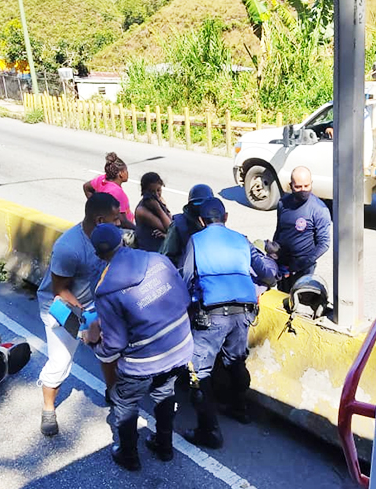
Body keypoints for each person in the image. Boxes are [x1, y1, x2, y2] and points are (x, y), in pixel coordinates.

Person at [84, 223, 193, 472]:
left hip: (143, 362)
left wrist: (93, 343)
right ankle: (164, 446)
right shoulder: (157, 259)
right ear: (123, 241)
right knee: (165, 392)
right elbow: (184, 298)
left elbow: (115, 344)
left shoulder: (106, 290)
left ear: (99, 255)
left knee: (125, 401)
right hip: (179, 346)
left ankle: (129, 455)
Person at [181, 197, 274, 448]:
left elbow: (185, 277)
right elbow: (268, 273)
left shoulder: (196, 240)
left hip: (211, 314)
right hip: (243, 313)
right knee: (235, 361)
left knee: (199, 372)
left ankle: (209, 431)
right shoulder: (242, 240)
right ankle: (239, 408)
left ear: (201, 221)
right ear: (226, 217)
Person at [36, 192, 121, 437]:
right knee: (61, 362)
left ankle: (112, 391)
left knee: (109, 351)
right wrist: (86, 324)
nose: (120, 223)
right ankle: (48, 408)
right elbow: (60, 290)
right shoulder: (69, 247)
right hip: (61, 306)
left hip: (92, 302)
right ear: (99, 220)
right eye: (116, 219)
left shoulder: (109, 236)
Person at [273, 166, 331, 293]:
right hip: (282, 266)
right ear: (291, 185)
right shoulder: (283, 203)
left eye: (306, 186)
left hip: (303, 270)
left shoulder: (319, 209)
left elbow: (324, 243)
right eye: (298, 187)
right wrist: (274, 254)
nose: (303, 190)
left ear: (311, 184)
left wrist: (301, 264)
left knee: (298, 304)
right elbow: (279, 230)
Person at [159, 183, 214, 268]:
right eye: (197, 204)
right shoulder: (179, 224)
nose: (200, 207)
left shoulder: (214, 222)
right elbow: (167, 256)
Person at [83, 152, 135, 229]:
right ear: (121, 173)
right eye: (126, 171)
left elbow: (86, 187)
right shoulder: (117, 193)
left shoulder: (102, 179)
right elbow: (123, 220)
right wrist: (136, 230)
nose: (127, 173)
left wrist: (95, 206)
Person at [134, 172, 172, 252]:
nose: (156, 194)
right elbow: (170, 229)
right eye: (152, 192)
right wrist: (158, 209)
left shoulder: (159, 200)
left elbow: (171, 222)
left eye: (158, 190)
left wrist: (165, 236)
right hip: (149, 252)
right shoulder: (142, 211)